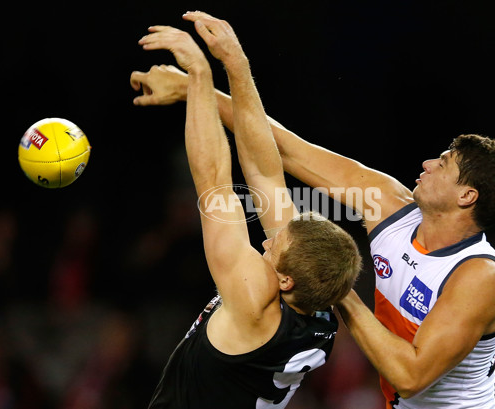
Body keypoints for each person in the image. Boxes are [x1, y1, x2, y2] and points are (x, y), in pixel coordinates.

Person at [131, 12, 495, 409]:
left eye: (443, 164)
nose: (426, 165)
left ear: (467, 197)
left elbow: (411, 376)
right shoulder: (386, 204)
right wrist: (199, 87)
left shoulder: (479, 276)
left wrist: (201, 76)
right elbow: (276, 154)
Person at [133, 13, 362, 409]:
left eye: (274, 246)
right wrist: (236, 63)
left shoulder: (253, 298)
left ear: (285, 282)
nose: (267, 239)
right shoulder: (319, 304)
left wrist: (200, 75)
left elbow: (213, 184)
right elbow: (265, 173)